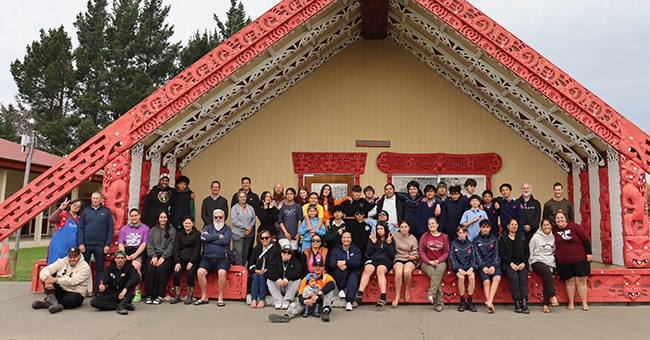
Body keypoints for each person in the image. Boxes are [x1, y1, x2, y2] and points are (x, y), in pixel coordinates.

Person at [268, 258, 335, 322]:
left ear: (323, 267)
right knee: (293, 305)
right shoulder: (306, 278)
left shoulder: (326, 277)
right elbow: (300, 294)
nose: (318, 268)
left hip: (320, 305)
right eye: (316, 266)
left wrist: (318, 294)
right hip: (308, 304)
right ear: (313, 267)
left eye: (320, 266)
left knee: (329, 291)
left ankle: (326, 312)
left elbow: (332, 285)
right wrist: (305, 301)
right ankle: (285, 316)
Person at [32, 247, 91, 313]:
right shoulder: (62, 261)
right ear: (67, 256)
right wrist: (47, 280)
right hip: (61, 289)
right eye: (70, 257)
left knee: (74, 299)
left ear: (79, 256)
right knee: (47, 279)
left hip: (74, 292)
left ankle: (49, 304)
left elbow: (73, 281)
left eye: (75, 257)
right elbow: (46, 270)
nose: (72, 259)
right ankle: (55, 304)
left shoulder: (85, 267)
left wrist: (56, 280)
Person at [553, 211, 591, 311]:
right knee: (569, 282)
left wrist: (589, 253)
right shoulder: (554, 229)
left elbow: (585, 239)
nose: (559, 220)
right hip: (564, 260)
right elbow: (545, 230)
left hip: (579, 258)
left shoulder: (575, 227)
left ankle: (584, 303)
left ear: (566, 218)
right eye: (557, 218)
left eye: (561, 217)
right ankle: (571, 303)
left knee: (581, 281)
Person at [78, 191, 114, 294]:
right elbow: (81, 228)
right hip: (86, 245)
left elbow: (110, 229)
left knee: (99, 269)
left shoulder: (106, 212)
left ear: (101, 199)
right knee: (83, 268)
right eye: (93, 198)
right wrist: (81, 243)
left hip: (100, 245)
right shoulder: (85, 212)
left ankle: (98, 289)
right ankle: (82, 289)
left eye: (97, 198)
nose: (95, 200)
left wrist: (107, 245)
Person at [195, 209, 231, 306]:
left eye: (220, 217)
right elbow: (203, 238)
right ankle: (204, 297)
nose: (218, 219)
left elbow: (226, 241)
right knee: (200, 272)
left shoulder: (227, 229)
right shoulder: (207, 227)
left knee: (222, 273)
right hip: (207, 258)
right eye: (216, 217)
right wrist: (218, 236)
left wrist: (210, 238)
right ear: (213, 218)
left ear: (224, 218)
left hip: (222, 258)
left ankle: (220, 297)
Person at [356, 222, 395, 308]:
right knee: (367, 270)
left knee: (380, 271)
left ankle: (383, 296)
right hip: (373, 259)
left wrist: (388, 244)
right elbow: (368, 253)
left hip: (385, 259)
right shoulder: (373, 238)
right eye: (378, 229)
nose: (379, 231)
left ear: (385, 229)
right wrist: (373, 243)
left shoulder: (390, 239)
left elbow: (392, 255)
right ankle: (360, 294)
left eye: (381, 229)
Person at [90, 250, 139, 314]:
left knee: (131, 284)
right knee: (94, 302)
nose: (120, 260)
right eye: (118, 258)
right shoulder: (110, 268)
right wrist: (102, 284)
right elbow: (105, 277)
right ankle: (120, 306)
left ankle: (123, 304)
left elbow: (136, 278)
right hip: (112, 293)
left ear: (125, 259)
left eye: (122, 258)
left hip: (124, 294)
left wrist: (125, 289)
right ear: (115, 259)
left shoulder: (130, 268)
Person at [118, 209, 149, 303]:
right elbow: (121, 243)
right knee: (119, 265)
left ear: (139, 216)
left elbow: (144, 243)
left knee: (136, 267)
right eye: (132, 216)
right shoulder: (124, 229)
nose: (134, 218)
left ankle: (137, 291)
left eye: (136, 215)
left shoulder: (145, 228)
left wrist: (135, 255)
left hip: (138, 250)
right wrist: (124, 255)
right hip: (126, 250)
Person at [145, 211, 176, 305]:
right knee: (151, 268)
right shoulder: (153, 230)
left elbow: (171, 246)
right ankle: (149, 295)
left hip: (167, 256)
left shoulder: (172, 230)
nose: (163, 219)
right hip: (154, 255)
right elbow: (149, 245)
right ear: (158, 218)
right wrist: (154, 256)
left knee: (161, 269)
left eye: (165, 217)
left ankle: (160, 295)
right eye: (161, 217)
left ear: (167, 218)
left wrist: (163, 257)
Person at [499, 219, 530, 313]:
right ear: (508, 226)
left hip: (521, 263)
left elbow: (527, 252)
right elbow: (502, 253)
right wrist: (511, 264)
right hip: (508, 264)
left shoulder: (523, 237)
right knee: (514, 278)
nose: (514, 226)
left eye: (516, 224)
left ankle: (524, 302)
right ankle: (516, 302)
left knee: (523, 279)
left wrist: (524, 263)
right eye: (512, 224)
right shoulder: (503, 238)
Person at [419, 217, 449, 312]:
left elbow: (446, 252)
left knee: (438, 272)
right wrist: (429, 261)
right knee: (435, 276)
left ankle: (430, 294)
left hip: (440, 262)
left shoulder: (444, 237)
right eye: (429, 224)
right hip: (426, 262)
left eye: (433, 223)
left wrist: (438, 260)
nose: (431, 226)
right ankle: (438, 304)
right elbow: (421, 251)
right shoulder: (425, 236)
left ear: (437, 225)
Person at [529, 218, 558, 313]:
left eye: (548, 225)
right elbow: (530, 251)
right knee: (546, 272)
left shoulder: (554, 237)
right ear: (541, 227)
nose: (546, 227)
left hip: (550, 261)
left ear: (551, 226)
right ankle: (553, 296)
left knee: (547, 276)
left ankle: (546, 304)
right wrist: (529, 264)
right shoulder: (536, 237)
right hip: (537, 260)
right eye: (544, 225)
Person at [171, 215, 201, 305]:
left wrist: (191, 261)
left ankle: (190, 296)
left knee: (190, 274)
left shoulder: (197, 234)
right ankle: (177, 295)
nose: (187, 225)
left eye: (189, 223)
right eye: (186, 223)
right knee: (176, 273)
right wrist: (177, 262)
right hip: (181, 259)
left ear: (193, 224)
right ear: (183, 224)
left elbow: (197, 249)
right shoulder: (179, 234)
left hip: (194, 259)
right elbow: (175, 248)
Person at [328, 231, 362, 311]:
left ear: (351, 239)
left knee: (353, 278)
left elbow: (357, 262)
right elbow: (331, 263)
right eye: (344, 237)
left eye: (348, 238)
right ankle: (341, 289)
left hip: (353, 271)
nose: (346, 239)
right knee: (340, 270)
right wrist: (338, 263)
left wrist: (346, 262)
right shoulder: (335, 250)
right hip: (340, 271)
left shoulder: (356, 249)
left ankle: (349, 302)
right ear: (341, 239)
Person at [474, 219, 501, 314]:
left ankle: (489, 301)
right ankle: (490, 304)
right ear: (480, 228)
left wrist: (493, 266)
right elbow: (477, 255)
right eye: (483, 227)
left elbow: (496, 253)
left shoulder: (494, 239)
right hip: (483, 266)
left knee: (497, 278)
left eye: (487, 227)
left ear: (490, 228)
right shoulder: (476, 240)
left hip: (494, 264)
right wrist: (483, 267)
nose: (485, 229)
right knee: (486, 281)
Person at [449, 225, 478, 312]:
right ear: (457, 233)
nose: (462, 235)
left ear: (467, 233)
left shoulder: (470, 245)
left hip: (469, 267)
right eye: (460, 233)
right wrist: (458, 269)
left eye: (464, 233)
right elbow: (452, 258)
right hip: (459, 268)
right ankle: (462, 302)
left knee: (472, 277)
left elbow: (473, 258)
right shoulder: (453, 244)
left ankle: (469, 302)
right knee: (461, 278)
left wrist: (471, 268)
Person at [47, 198, 83, 265]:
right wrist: (60, 208)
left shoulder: (80, 219)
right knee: (55, 264)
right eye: (74, 205)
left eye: (78, 206)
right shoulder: (63, 215)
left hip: (72, 246)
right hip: (59, 245)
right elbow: (51, 220)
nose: (76, 207)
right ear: (70, 205)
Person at [249, 230, 279, 308]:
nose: (264, 240)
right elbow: (251, 262)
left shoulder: (275, 249)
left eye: (266, 238)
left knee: (262, 277)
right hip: (257, 271)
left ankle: (262, 300)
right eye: (262, 238)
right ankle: (254, 299)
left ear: (270, 238)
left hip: (268, 272)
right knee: (255, 276)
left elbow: (276, 264)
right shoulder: (257, 248)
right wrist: (255, 270)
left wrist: (267, 270)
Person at [391, 221, 419, 307]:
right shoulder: (394, 235)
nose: (404, 229)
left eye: (405, 227)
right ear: (399, 228)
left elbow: (416, 255)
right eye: (402, 227)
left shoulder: (413, 238)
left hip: (410, 259)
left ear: (409, 228)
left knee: (407, 272)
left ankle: (407, 290)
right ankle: (397, 296)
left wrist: (409, 257)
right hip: (398, 258)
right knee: (398, 272)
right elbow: (383, 232)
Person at [267, 244, 303, 309]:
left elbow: (298, 271)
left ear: (291, 254)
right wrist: (277, 278)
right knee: (269, 280)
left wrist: (288, 278)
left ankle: (287, 301)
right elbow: (270, 270)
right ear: (281, 253)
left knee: (297, 280)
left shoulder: (295, 261)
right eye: (284, 252)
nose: (286, 254)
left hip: (289, 286)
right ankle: (278, 301)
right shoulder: (276, 261)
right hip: (279, 285)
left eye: (289, 253)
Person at [231, 191, 256, 267]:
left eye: (244, 197)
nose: (242, 198)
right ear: (238, 198)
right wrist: (246, 227)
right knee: (238, 253)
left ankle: (243, 270)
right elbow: (234, 220)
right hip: (237, 234)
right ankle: (237, 270)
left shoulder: (250, 208)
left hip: (248, 234)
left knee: (245, 254)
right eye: (241, 197)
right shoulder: (235, 208)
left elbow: (254, 219)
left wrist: (250, 228)